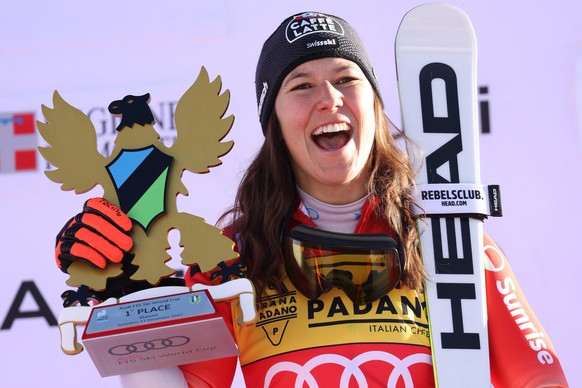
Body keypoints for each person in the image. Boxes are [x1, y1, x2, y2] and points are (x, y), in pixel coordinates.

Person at [55, 11, 568, 387]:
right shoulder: (234, 255)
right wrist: (126, 297)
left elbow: (541, 379)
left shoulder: (449, 240)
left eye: (347, 79)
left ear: (373, 103)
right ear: (274, 124)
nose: (329, 99)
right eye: (301, 86)